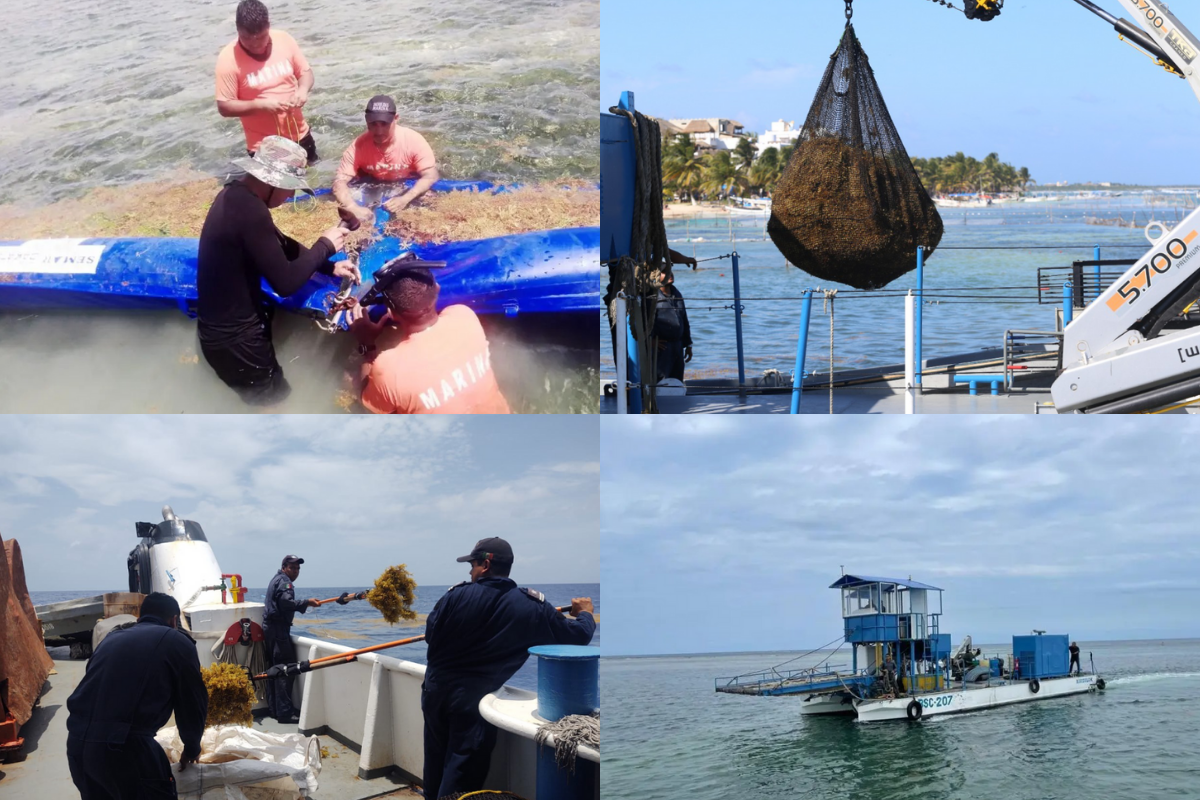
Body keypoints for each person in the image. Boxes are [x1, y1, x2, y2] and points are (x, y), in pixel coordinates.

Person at [421, 537, 595, 800]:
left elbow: (430, 635)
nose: (470, 571)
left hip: (435, 692)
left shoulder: (454, 596)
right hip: (475, 700)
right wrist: (585, 613)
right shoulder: (533, 606)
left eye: (473, 564)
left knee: (435, 759)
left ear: (486, 564)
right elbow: (578, 636)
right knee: (462, 768)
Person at [197, 136, 357, 405]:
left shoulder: (235, 194)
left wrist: (328, 266)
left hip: (220, 333)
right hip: (238, 342)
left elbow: (279, 242)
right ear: (271, 181)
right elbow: (285, 283)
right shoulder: (251, 211)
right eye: (289, 188)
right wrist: (325, 245)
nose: (289, 196)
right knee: (274, 406)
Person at [66, 592, 207, 800]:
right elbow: (192, 703)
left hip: (78, 746)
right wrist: (192, 747)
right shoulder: (177, 641)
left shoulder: (111, 638)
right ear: (174, 620)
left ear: (139, 618)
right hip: (124, 750)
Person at [347, 266, 511, 414]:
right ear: (437, 288)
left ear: (390, 312)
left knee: (349, 381)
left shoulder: (389, 368)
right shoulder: (463, 315)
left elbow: (369, 407)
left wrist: (367, 345)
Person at [215, 0, 319, 164]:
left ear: (268, 26)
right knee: (278, 189)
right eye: (247, 38)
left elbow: (306, 73)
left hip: (300, 135)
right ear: (237, 29)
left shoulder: (284, 39)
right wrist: (260, 105)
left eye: (261, 37)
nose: (255, 44)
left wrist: (302, 91)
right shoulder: (228, 58)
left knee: (313, 179)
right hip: (264, 146)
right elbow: (225, 107)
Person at [333, 95, 440, 227]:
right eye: (373, 124)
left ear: (396, 119)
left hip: (406, 182)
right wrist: (352, 207)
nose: (379, 131)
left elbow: (431, 175)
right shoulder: (358, 147)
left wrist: (405, 199)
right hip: (373, 183)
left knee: (430, 199)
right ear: (367, 121)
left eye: (384, 124)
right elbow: (339, 181)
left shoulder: (413, 141)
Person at [263, 555, 320, 724]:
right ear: (284, 567)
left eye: (298, 569)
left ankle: (274, 709)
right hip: (279, 630)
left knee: (273, 669)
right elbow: (286, 603)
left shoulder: (276, 579)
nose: (296, 572)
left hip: (271, 629)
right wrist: (307, 602)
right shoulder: (285, 582)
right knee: (285, 669)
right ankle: (285, 713)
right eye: (292, 568)